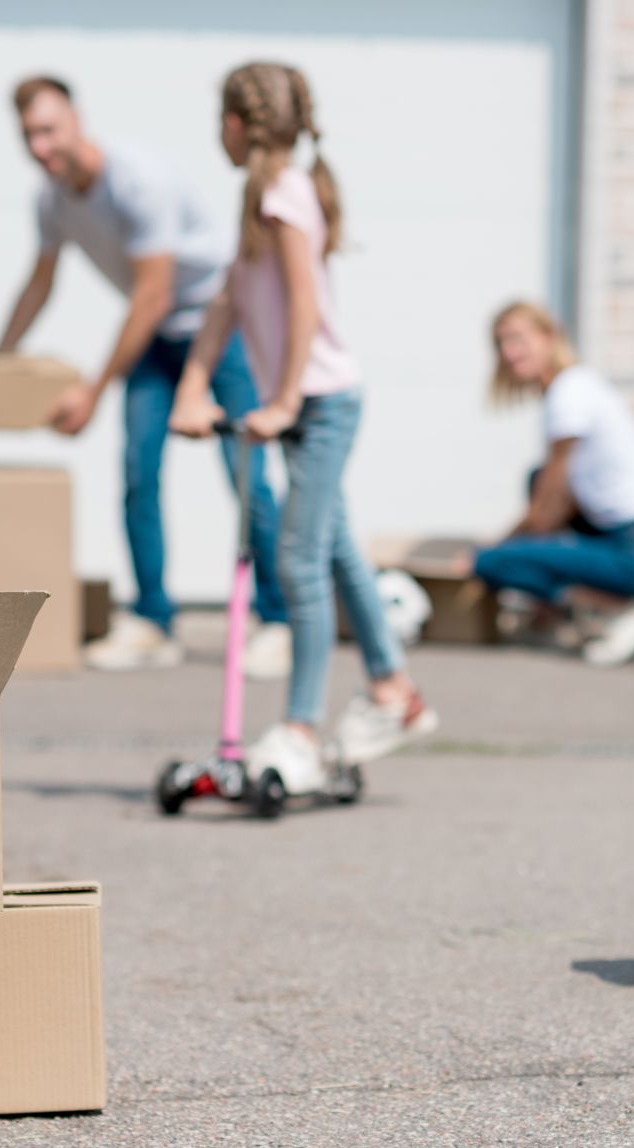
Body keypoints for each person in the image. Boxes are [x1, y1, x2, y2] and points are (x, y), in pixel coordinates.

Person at [170, 62, 437, 784]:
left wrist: (285, 398)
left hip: (322, 403)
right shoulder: (261, 195)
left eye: (219, 122)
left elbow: (304, 302)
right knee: (339, 548)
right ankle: (393, 692)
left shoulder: (285, 194)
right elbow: (227, 301)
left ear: (235, 125)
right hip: (306, 405)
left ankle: (300, 728)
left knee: (297, 560)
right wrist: (191, 388)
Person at [0, 75, 290, 675]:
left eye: (49, 130)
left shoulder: (138, 182)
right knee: (137, 472)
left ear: (77, 119)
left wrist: (92, 393)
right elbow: (41, 281)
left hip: (218, 325)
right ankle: (153, 621)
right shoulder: (52, 199)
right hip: (156, 338)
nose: (41, 147)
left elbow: (152, 296)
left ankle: (278, 619)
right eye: (29, 136)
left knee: (247, 476)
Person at [465, 301, 634, 666]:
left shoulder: (569, 393)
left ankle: (619, 606)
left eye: (518, 339)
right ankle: (579, 612)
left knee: (491, 564)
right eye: (501, 343)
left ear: (549, 337)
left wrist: (485, 552)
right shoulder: (578, 388)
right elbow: (553, 496)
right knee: (536, 478)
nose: (509, 352)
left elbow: (545, 512)